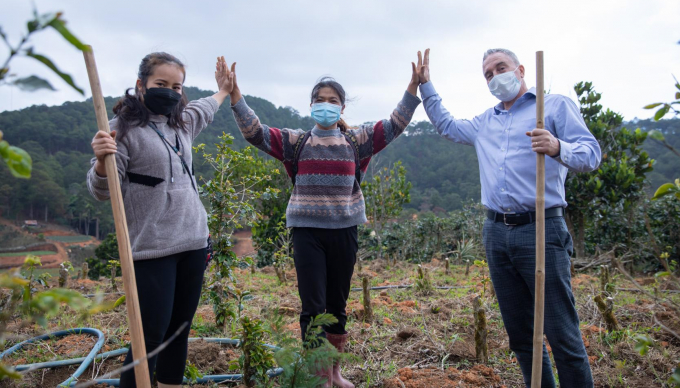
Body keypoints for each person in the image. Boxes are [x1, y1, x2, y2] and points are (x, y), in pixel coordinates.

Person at [229, 53, 424, 387]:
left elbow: (394, 126)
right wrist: (235, 94)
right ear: (311, 106)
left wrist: (412, 86)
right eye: (319, 100)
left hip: (344, 230)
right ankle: (318, 374)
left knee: (337, 303)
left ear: (342, 109)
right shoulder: (296, 141)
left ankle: (334, 371)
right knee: (313, 305)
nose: (326, 105)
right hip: (307, 232)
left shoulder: (356, 141)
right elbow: (255, 133)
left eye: (333, 101)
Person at [418, 48, 600, 387]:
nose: (494, 76)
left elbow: (591, 154)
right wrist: (425, 86)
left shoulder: (554, 106)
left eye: (499, 68)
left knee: (561, 332)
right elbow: (446, 125)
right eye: (487, 74)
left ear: (519, 69)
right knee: (521, 335)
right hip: (496, 232)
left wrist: (558, 146)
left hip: (541, 227)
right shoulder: (486, 122)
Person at [87, 53, 234, 388]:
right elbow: (99, 191)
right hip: (152, 249)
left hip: (194, 242)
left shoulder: (181, 123)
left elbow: (204, 108)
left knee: (179, 330)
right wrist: (100, 162)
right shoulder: (119, 132)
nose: (169, 92)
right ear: (141, 86)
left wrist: (223, 91)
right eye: (161, 85)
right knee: (150, 337)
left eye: (176, 86)